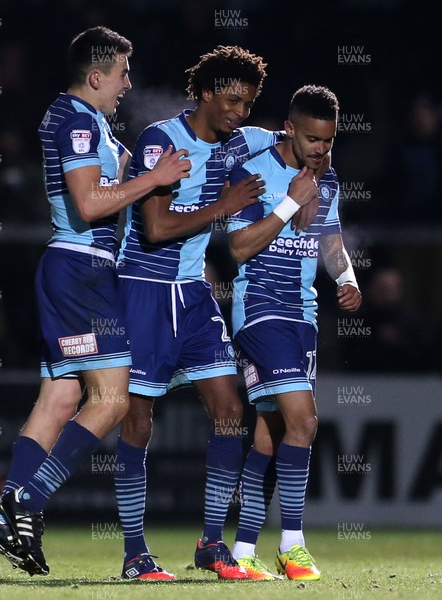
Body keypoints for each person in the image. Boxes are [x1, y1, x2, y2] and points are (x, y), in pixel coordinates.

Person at [0, 26, 191, 577]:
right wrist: (155, 179)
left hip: (71, 271)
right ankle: (23, 502)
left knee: (59, 399)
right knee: (113, 401)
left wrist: (134, 164)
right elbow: (92, 203)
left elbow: (101, 180)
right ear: (95, 76)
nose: (127, 83)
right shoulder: (76, 119)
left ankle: (7, 518)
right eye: (121, 73)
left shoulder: (76, 118)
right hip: (82, 271)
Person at [112, 45, 319, 582]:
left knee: (230, 409)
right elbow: (155, 230)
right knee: (137, 421)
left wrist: (314, 162)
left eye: (247, 104)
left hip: (195, 294)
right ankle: (136, 553)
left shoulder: (243, 141)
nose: (239, 113)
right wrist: (223, 209)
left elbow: (296, 140)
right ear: (204, 93)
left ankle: (211, 543)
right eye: (231, 101)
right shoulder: (161, 140)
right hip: (142, 289)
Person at [226, 85, 362, 581]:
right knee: (305, 421)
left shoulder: (328, 180)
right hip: (260, 310)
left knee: (271, 434)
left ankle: (241, 551)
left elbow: (331, 242)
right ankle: (293, 546)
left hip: (303, 316)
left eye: (328, 142)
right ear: (289, 129)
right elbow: (238, 248)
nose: (320, 151)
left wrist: (346, 278)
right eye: (311, 140)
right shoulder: (254, 172)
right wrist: (288, 202)